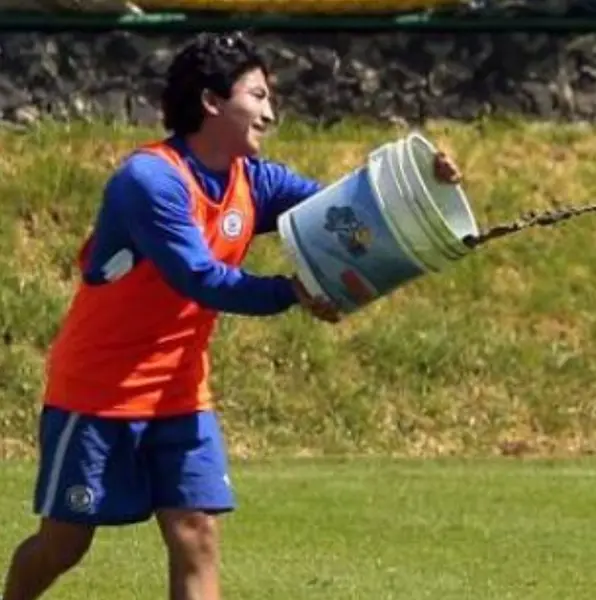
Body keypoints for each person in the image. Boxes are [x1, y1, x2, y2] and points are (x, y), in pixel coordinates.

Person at [2, 32, 463, 600]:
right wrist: (291, 292)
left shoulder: (255, 180)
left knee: (197, 533)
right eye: (258, 95)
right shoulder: (149, 181)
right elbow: (200, 278)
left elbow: (345, 216)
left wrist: (424, 190)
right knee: (64, 545)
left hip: (181, 393)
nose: (270, 113)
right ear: (212, 101)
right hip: (98, 393)